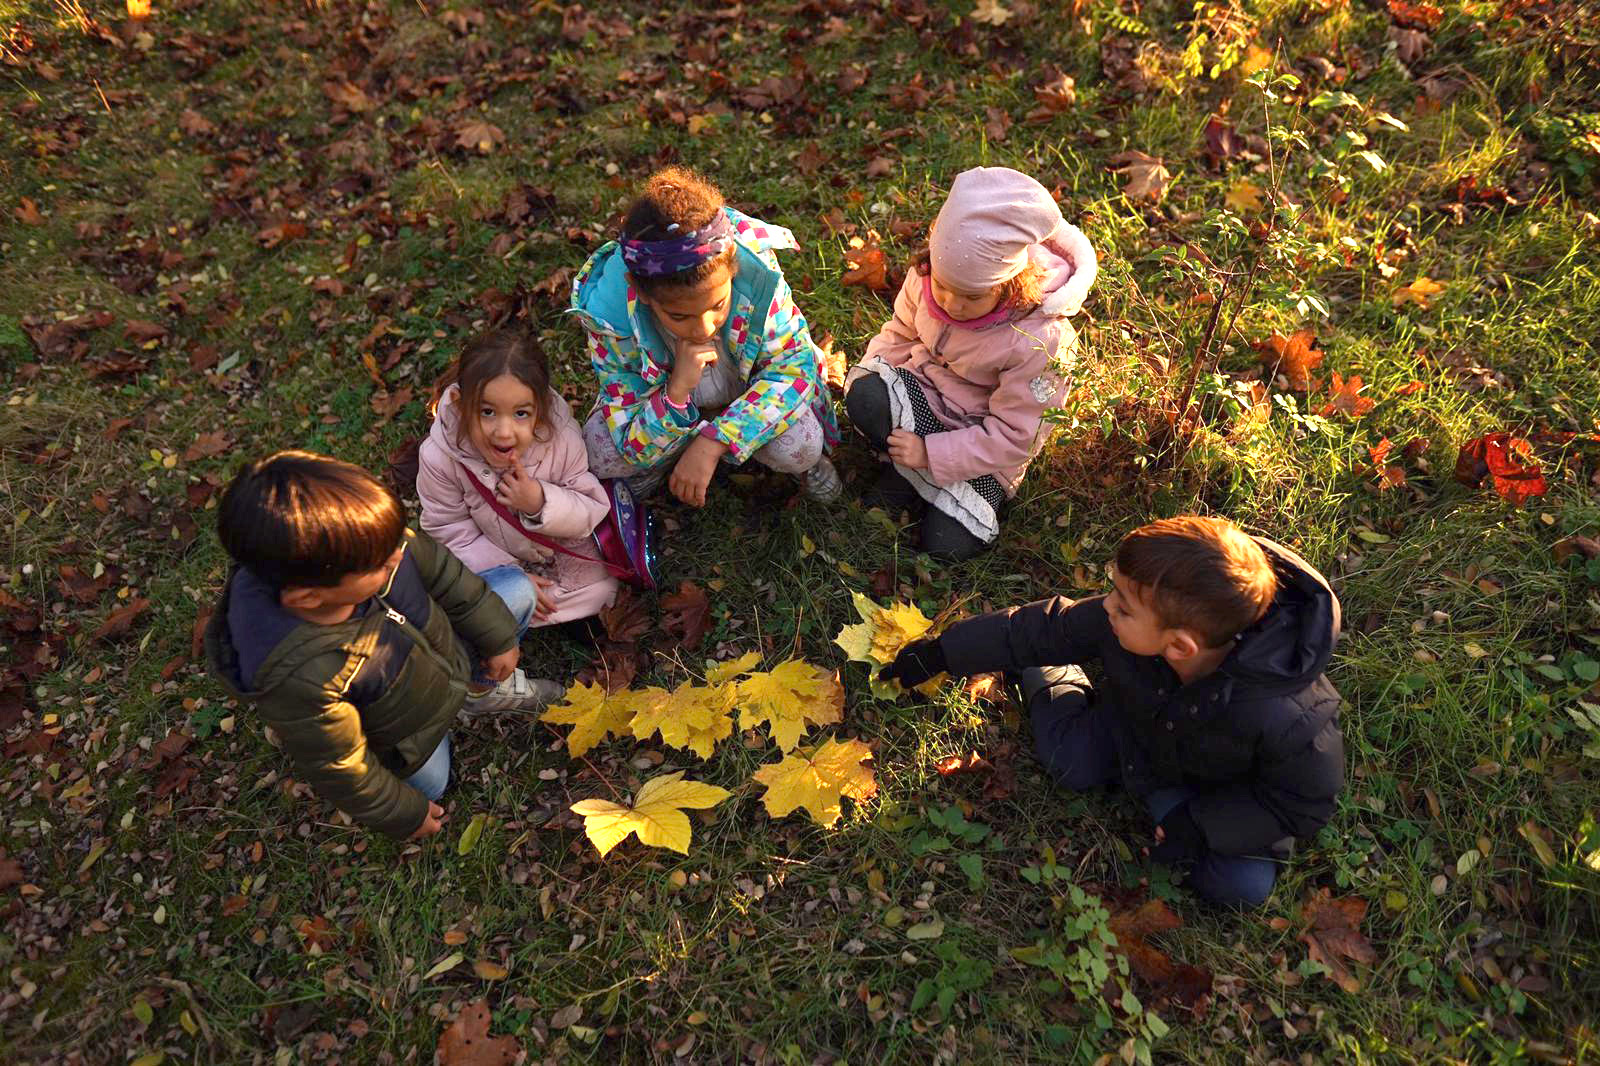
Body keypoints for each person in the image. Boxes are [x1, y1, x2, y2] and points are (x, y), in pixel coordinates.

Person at [880, 516, 1345, 907]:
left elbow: (1298, 803)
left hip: (1203, 790)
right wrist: (945, 652)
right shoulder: (1121, 624)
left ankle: (1170, 814)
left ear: (1180, 646)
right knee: (1070, 761)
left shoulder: (1293, 718)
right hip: (1134, 731)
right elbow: (1045, 626)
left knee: (1240, 886)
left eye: (1122, 605)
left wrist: (1199, 827)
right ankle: (1051, 673)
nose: (1107, 606)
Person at [204, 451, 562, 841]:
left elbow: (447, 577)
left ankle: (480, 690)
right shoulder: (301, 675)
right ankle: (443, 730)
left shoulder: (375, 543)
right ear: (308, 599)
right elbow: (343, 766)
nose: (398, 553)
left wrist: (498, 639)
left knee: (517, 590)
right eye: (382, 564)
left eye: (395, 540)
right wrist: (403, 814)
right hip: (409, 734)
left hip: (451, 655)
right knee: (432, 788)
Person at [844, 166, 1098, 561]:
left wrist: (932, 454)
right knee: (866, 397)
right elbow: (900, 333)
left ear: (1011, 283)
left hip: (982, 444)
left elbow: (1016, 437)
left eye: (972, 297)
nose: (951, 304)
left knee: (945, 548)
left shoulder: (1039, 341)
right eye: (944, 287)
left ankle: (922, 476)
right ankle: (905, 470)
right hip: (925, 396)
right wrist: (872, 373)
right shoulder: (927, 277)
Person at [570, 165, 842, 508]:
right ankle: (666, 455)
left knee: (801, 444)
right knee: (600, 449)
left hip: (747, 399)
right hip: (665, 410)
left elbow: (793, 369)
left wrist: (716, 439)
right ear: (641, 293)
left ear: (733, 269)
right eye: (679, 316)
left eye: (718, 305)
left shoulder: (759, 285)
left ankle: (796, 464)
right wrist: (676, 392)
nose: (703, 329)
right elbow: (626, 419)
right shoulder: (612, 320)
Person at [416, 326, 620, 632]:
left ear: (541, 408)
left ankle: (548, 610)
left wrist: (539, 501)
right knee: (494, 593)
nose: (503, 431)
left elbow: (589, 508)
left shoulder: (559, 437)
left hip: (557, 549)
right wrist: (510, 574)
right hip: (497, 560)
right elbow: (449, 531)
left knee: (605, 585)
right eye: (487, 412)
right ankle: (527, 605)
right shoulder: (440, 456)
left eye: (521, 414)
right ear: (460, 402)